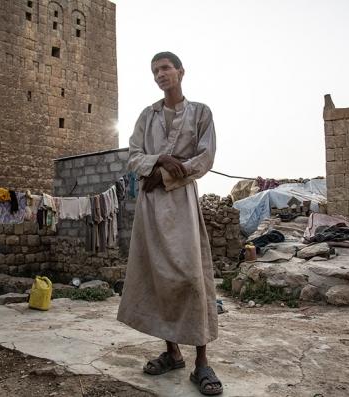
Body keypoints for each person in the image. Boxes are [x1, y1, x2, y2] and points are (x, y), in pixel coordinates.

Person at [116, 51, 222, 396]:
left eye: (166, 68)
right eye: (155, 70)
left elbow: (204, 158)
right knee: (159, 278)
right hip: (151, 208)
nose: (161, 74)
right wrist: (159, 159)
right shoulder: (147, 116)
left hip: (181, 202)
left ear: (180, 71)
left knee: (192, 277)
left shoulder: (201, 112)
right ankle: (172, 352)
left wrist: (165, 176)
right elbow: (132, 156)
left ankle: (202, 362)